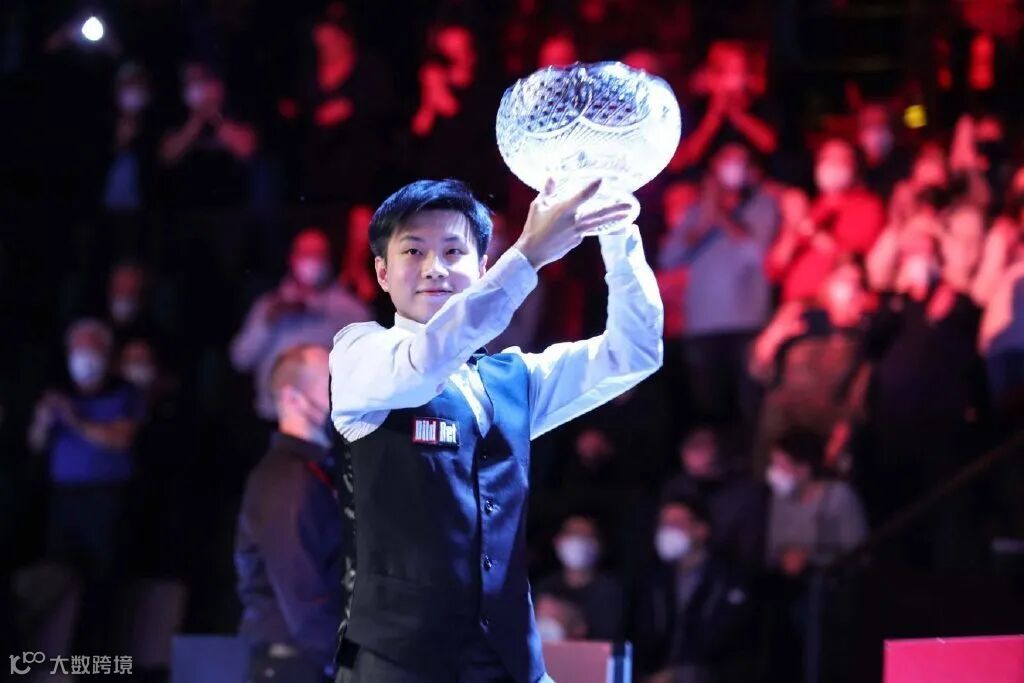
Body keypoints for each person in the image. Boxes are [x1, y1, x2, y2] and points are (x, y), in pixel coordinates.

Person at [329, 178, 662, 682]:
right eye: (414, 251)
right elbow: (426, 360)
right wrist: (529, 255)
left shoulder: (514, 378)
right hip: (398, 665)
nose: (435, 267)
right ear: (381, 271)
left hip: (511, 663)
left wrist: (617, 232)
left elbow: (633, 352)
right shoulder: (361, 353)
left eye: (453, 251)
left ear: (483, 268)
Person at [236, 344, 343, 681]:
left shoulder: (317, 471)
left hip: (309, 660)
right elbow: (303, 596)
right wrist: (354, 660)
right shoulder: (289, 480)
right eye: (331, 385)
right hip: (294, 664)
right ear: (292, 398)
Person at [659, 142, 779, 427]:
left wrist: (720, 215)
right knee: (709, 413)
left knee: (748, 412)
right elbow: (669, 258)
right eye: (727, 161)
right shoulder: (696, 212)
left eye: (741, 162)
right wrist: (706, 217)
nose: (734, 169)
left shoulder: (762, 206)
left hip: (747, 326)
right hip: (701, 328)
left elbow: (755, 254)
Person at [231, 228, 371, 420]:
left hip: (329, 421)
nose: (312, 261)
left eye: (318, 254)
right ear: (291, 258)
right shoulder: (269, 305)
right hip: (274, 417)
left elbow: (370, 368)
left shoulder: (351, 310)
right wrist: (267, 323)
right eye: (305, 254)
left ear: (329, 260)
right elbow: (240, 360)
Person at [633, 495, 755, 683]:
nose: (668, 531)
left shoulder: (728, 581)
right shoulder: (652, 580)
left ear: (701, 530)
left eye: (677, 524)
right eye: (664, 525)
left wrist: (679, 674)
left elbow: (730, 646)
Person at [766, 138, 885, 303]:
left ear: (855, 168)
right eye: (826, 159)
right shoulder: (812, 208)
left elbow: (850, 258)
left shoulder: (867, 206)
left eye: (840, 160)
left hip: (834, 305)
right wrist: (792, 227)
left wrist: (808, 228)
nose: (831, 166)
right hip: (795, 305)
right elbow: (775, 269)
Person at [661, 427, 767, 570]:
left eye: (700, 447)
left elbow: (749, 550)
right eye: (690, 446)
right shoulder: (678, 487)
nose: (691, 452)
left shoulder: (746, 495)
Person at [534, 514, 624, 641]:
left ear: (600, 545)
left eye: (587, 536)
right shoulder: (543, 588)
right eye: (573, 534)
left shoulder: (612, 593)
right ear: (557, 542)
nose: (579, 541)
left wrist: (574, 621)